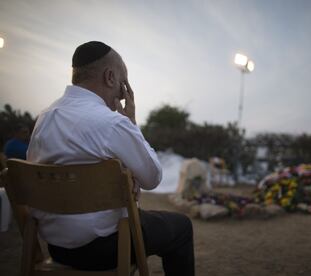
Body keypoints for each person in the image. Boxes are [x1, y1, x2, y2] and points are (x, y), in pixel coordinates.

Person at [27, 41, 194, 275]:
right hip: (106, 248)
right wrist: (132, 123)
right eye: (123, 82)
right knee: (182, 227)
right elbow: (152, 177)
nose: (122, 91)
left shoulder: (44, 119)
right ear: (110, 77)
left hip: (56, 247)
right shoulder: (112, 123)